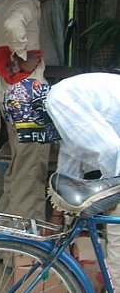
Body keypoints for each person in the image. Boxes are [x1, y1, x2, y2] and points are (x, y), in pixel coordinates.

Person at [0, 0, 65, 221]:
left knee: (18, 168)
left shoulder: (2, 0)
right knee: (31, 174)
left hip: (10, 96)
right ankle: (24, 250)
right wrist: (21, 56)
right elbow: (13, 24)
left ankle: (1, 239)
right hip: (29, 98)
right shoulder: (26, 5)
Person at [44, 72, 120, 284]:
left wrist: (56, 221)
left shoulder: (64, 95)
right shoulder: (62, 98)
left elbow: (68, 164)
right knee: (118, 230)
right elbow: (110, 152)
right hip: (116, 160)